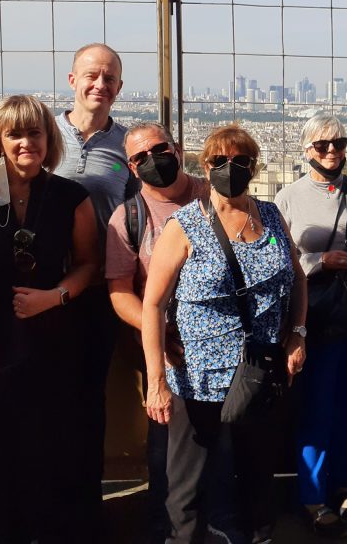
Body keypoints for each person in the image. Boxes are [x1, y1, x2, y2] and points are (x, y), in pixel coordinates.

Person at [0, 95, 99, 543]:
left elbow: (89, 262)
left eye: (35, 133)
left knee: (43, 440)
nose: (27, 143)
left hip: (50, 334)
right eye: (15, 134)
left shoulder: (70, 196)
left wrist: (55, 296)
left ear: (50, 139)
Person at [141, 125, 306, 544]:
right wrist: (157, 381)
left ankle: (257, 535)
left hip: (259, 372)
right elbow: (153, 305)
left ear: (254, 166)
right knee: (188, 485)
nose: (228, 169)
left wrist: (298, 333)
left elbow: (297, 277)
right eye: (218, 161)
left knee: (256, 472)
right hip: (198, 378)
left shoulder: (270, 216)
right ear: (203, 163)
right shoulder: (184, 226)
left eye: (240, 161)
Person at [275, 113, 347, 538]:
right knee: (316, 408)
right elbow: (280, 261)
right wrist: (319, 262)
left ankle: (343, 485)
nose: (332, 151)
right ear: (306, 149)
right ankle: (312, 495)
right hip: (315, 317)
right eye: (322, 145)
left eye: (338, 142)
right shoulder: (288, 197)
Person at [105, 122, 208, 543]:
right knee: (167, 453)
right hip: (166, 352)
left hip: (223, 347)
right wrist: (160, 331)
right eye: (140, 158)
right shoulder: (129, 217)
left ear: (178, 148)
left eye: (159, 150)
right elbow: (119, 292)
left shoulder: (214, 194)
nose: (153, 161)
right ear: (130, 168)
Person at [52, 42, 133, 529]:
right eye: (91, 75)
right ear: (71, 80)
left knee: (87, 397)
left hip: (100, 290)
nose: (99, 85)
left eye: (109, 78)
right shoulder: (43, 135)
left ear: (119, 88)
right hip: (41, 287)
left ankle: (83, 509)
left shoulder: (128, 145)